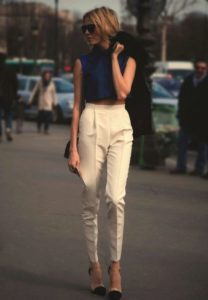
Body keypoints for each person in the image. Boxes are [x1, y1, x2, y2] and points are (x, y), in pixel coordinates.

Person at [67, 7, 152, 300]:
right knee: (90, 197)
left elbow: (124, 91)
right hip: (91, 120)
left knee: (115, 197)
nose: (86, 33)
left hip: (119, 123)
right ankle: (94, 267)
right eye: (83, 29)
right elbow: (77, 106)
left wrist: (115, 57)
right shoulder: (82, 62)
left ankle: (115, 266)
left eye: (90, 27)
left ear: (105, 26)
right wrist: (73, 148)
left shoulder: (129, 58)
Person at [171, 59, 208, 176]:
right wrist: (181, 113)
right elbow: (182, 98)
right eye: (198, 67)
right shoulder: (188, 80)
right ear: (195, 68)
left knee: (203, 145)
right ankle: (181, 166)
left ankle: (199, 169)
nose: (200, 70)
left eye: (203, 68)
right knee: (182, 142)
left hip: (203, 119)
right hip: (187, 117)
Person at [28, 69, 57, 134]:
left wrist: (55, 103)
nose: (47, 77)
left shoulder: (51, 83)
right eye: (46, 75)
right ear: (43, 76)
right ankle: (39, 127)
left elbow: (54, 94)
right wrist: (30, 100)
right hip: (41, 103)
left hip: (48, 103)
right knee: (40, 117)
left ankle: (46, 129)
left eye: (48, 76)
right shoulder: (40, 82)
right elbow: (34, 91)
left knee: (48, 117)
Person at [0, 51, 18, 142]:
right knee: (9, 114)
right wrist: (15, 96)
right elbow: (15, 84)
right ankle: (8, 129)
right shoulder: (11, 70)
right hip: (8, 97)